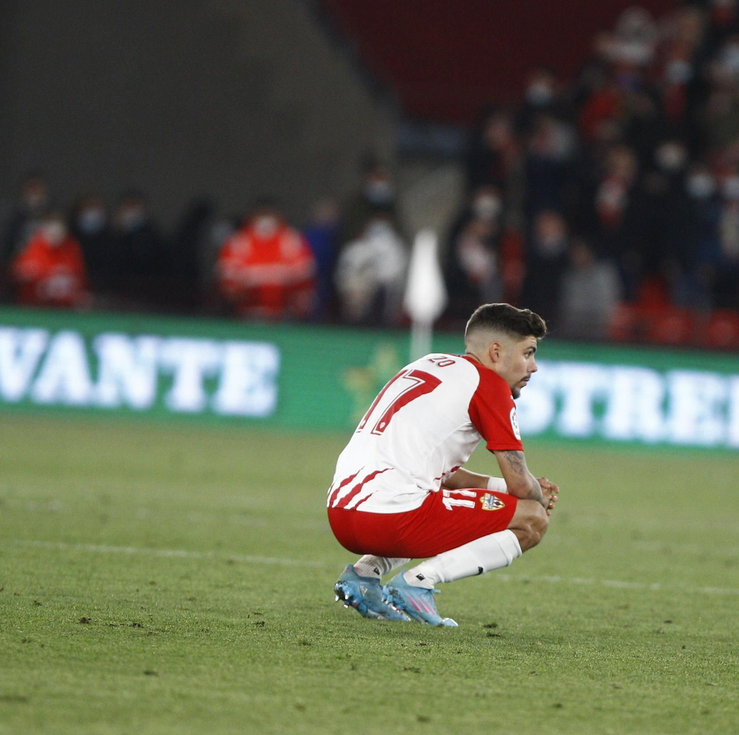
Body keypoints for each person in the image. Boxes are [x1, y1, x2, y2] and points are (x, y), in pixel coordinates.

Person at [326, 303, 557, 627]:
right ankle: (419, 582)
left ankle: (363, 576)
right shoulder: (489, 386)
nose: (533, 367)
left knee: (424, 491)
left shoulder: (427, 364)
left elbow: (445, 476)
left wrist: (504, 489)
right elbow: (522, 486)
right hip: (391, 518)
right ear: (495, 352)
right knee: (532, 519)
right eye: (528, 353)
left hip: (341, 513)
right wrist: (537, 493)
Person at [215, 200, 316, 319]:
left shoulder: (292, 240)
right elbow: (228, 280)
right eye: (262, 214)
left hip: (285, 315)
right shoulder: (238, 242)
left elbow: (305, 276)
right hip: (246, 314)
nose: (266, 220)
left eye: (270, 214)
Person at [12, 211, 87, 307]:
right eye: (51, 230)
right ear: (43, 230)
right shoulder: (32, 248)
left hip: (65, 307)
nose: (55, 235)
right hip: (34, 306)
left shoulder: (70, 249)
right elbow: (18, 275)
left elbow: (80, 278)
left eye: (59, 231)